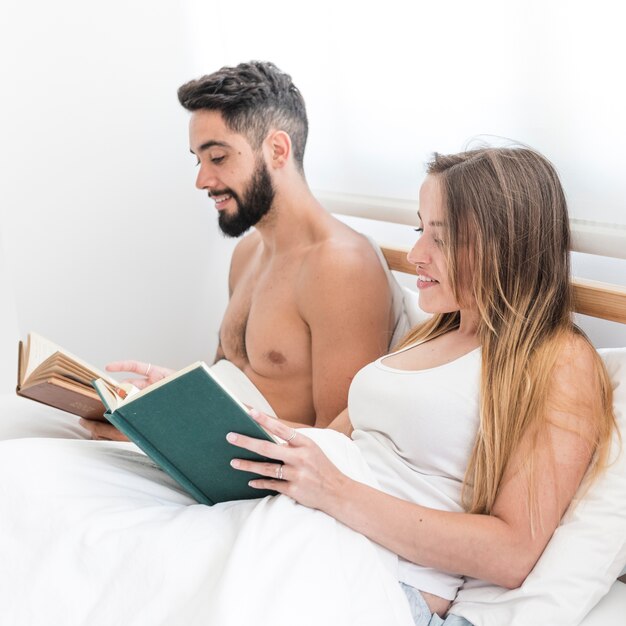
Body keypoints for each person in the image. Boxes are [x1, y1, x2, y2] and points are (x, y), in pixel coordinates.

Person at [0, 147, 615, 626]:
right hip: (308, 514)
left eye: (440, 234)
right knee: (34, 485)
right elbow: (323, 441)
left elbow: (511, 555)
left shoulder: (559, 362)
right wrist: (178, 410)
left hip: (372, 571)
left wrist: (337, 492)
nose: (417, 252)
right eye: (419, 227)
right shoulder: (432, 334)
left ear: (505, 245)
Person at [78, 60, 403, 443]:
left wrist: (173, 433)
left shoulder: (341, 266)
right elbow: (228, 382)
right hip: (208, 447)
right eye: (198, 160)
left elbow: (335, 440)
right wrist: (160, 405)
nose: (202, 180)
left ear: (277, 150)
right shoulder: (248, 253)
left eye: (217, 157)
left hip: (257, 472)